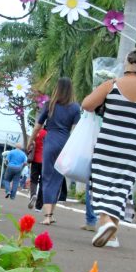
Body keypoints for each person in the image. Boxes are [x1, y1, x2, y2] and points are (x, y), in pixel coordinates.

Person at [82, 49, 136, 247]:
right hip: (132, 147)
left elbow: (87, 104)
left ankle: (105, 222)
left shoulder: (112, 84)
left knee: (102, 183)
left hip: (108, 143)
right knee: (121, 187)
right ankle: (112, 236)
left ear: (125, 63)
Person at [31, 78, 80, 225]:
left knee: (46, 178)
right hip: (65, 143)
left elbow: (38, 126)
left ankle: (47, 216)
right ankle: (51, 214)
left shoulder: (50, 104)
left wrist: (30, 141)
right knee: (57, 179)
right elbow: (76, 130)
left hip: (50, 141)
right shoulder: (75, 107)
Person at [27, 127, 46, 210]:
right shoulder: (50, 134)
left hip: (35, 159)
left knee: (34, 180)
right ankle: (38, 206)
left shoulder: (37, 132)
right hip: (45, 161)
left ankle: (33, 195)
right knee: (43, 182)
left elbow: (30, 144)